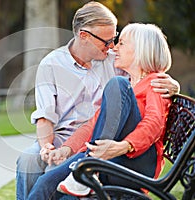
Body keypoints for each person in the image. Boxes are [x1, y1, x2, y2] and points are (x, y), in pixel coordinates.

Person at [16, 2, 179, 199]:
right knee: (42, 178)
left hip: (124, 155)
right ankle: (88, 167)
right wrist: (61, 148)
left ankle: (90, 167)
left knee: (117, 83)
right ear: (84, 36)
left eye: (118, 42)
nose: (113, 47)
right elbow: (91, 121)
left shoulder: (133, 75)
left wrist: (124, 145)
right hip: (83, 143)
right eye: (109, 41)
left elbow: (153, 120)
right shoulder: (52, 64)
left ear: (139, 50)